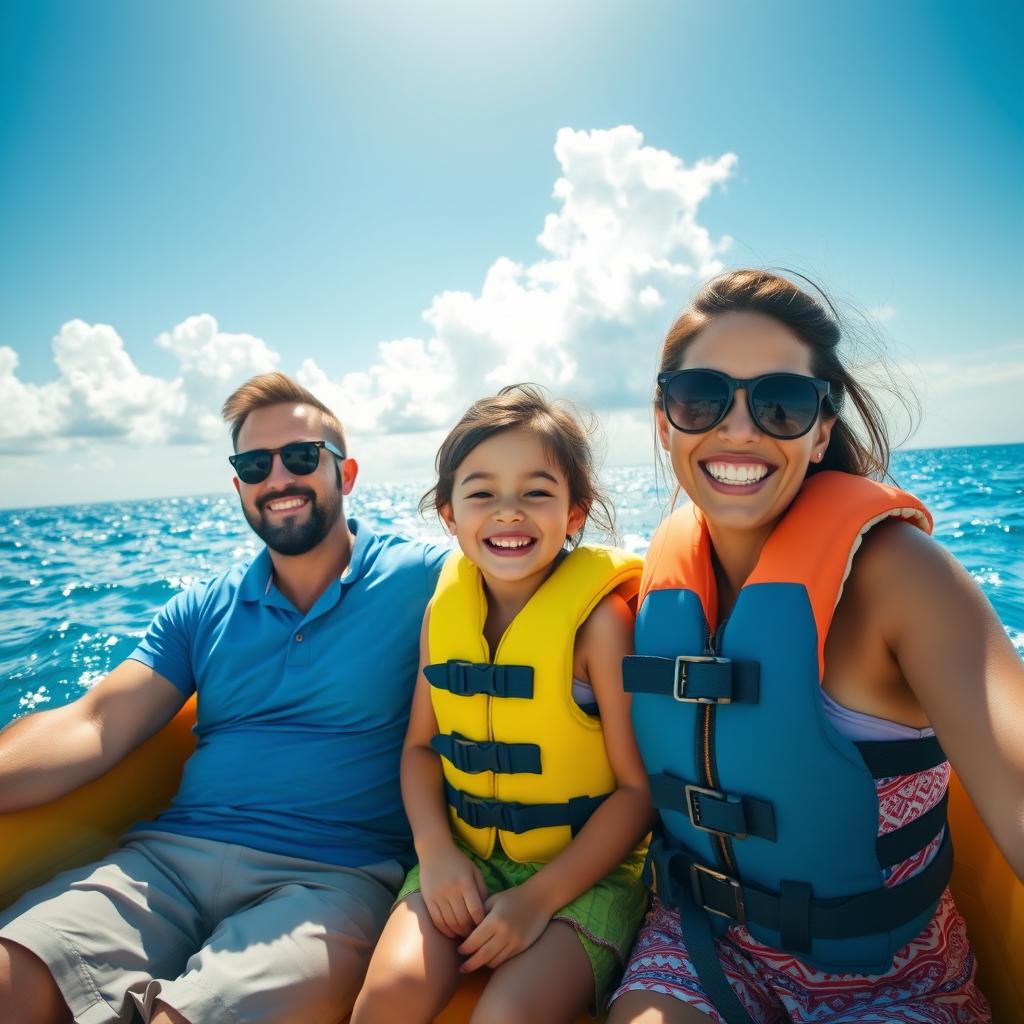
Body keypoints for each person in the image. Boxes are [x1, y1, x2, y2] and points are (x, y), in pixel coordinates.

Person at [607, 270, 1023, 1024]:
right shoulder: (659, 587)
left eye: (782, 402)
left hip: (891, 978)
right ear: (666, 418)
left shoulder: (899, 576)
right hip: (703, 944)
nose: (739, 429)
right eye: (702, 396)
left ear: (822, 428)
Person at [0, 372, 449, 1024]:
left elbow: (542, 566)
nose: (279, 478)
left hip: (329, 878)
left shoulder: (427, 580)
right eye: (254, 464)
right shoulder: (200, 609)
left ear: (345, 474)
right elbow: (95, 724)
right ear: (238, 485)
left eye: (301, 457)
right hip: (165, 863)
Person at [350, 385, 654, 1024]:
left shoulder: (599, 626)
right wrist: (435, 853)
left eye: (537, 492)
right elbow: (417, 750)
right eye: (482, 493)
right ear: (448, 514)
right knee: (386, 1001)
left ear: (576, 512)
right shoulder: (444, 613)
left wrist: (538, 899)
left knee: (505, 1016)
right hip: (461, 863)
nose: (509, 513)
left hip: (583, 879)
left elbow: (636, 793)